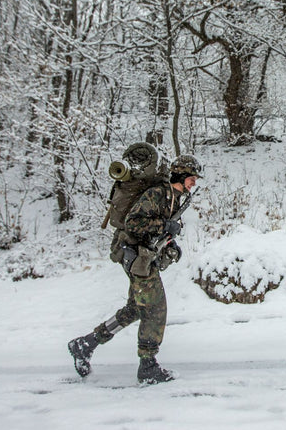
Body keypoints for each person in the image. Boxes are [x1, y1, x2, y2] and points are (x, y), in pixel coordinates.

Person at [68, 154, 203, 385]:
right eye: (191, 178)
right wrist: (164, 225)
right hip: (135, 255)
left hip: (144, 256)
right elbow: (134, 223)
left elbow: (157, 229)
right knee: (155, 309)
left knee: (136, 308)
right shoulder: (157, 194)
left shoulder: (174, 197)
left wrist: (170, 242)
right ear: (181, 175)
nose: (194, 183)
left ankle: (85, 344)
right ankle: (148, 365)